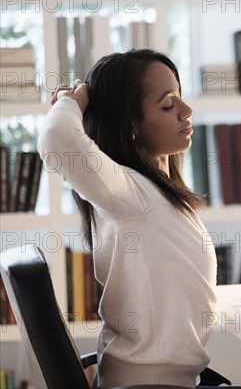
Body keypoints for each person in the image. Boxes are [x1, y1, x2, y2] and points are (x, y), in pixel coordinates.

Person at [39, 49, 220, 388]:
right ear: (130, 124)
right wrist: (71, 103)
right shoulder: (131, 194)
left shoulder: (150, 192)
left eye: (179, 98)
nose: (186, 111)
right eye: (167, 105)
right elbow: (57, 139)